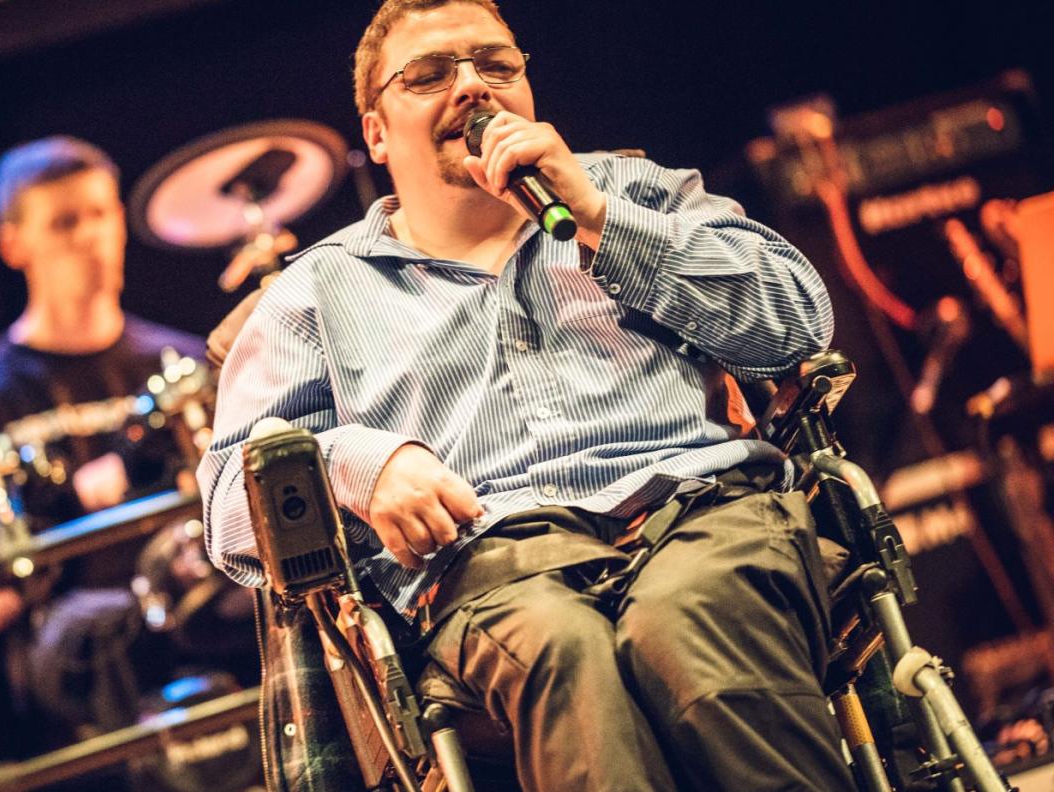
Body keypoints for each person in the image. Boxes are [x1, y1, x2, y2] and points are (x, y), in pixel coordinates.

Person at [197, 1, 856, 789]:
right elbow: (228, 504)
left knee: (689, 619)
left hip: (701, 513)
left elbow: (796, 323)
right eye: (428, 75)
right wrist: (352, 465)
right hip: (495, 567)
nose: (471, 86)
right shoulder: (314, 293)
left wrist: (603, 221)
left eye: (495, 64)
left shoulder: (636, 192)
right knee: (561, 650)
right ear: (376, 133)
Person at [0, 135, 205, 759]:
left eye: (101, 214)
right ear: (13, 244)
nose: (91, 237)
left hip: (198, 626)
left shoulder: (182, 364)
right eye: (64, 223)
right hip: (81, 675)